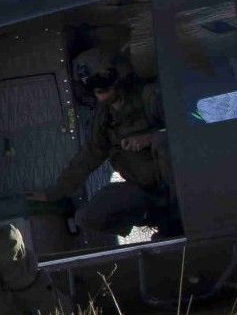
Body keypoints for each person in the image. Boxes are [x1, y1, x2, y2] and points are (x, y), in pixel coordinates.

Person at [33, 47, 173, 247]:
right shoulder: (104, 118)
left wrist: (151, 138)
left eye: (102, 80)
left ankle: (174, 220)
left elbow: (195, 123)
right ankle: (160, 221)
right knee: (87, 217)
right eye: (91, 84)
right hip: (145, 193)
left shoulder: (150, 97)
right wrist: (54, 193)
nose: (98, 90)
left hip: (180, 184)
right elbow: (88, 157)